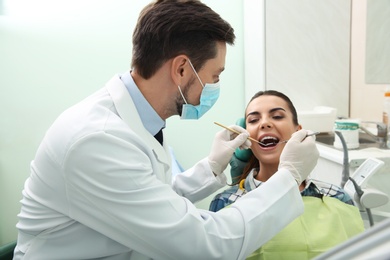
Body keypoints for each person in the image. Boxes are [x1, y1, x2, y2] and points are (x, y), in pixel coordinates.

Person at [13, 1, 319, 259]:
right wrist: (289, 175)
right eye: (215, 75)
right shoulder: (97, 139)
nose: (215, 86)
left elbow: (149, 200)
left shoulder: (142, 118)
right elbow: (206, 246)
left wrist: (210, 168)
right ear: (182, 69)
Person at [209, 90, 365, 259]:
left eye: (277, 116)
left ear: (298, 131)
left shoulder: (337, 197)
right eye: (254, 120)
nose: (264, 123)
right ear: (244, 138)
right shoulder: (225, 203)